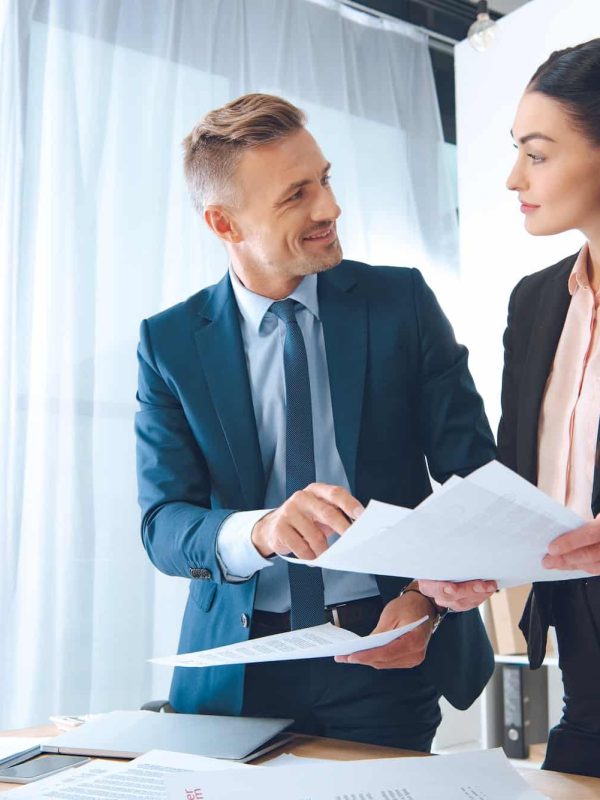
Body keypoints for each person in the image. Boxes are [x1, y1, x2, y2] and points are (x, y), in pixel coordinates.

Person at [135, 92, 496, 752]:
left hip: (385, 647)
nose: (328, 209)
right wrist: (263, 529)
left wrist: (427, 599)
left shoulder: (401, 304)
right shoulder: (171, 343)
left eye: (324, 180)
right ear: (225, 224)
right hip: (238, 672)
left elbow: (477, 480)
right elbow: (163, 526)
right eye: (295, 195)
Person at [419, 39, 600, 778]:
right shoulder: (534, 304)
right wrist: (457, 560)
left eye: (537, 154)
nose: (511, 178)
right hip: (585, 682)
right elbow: (516, 486)